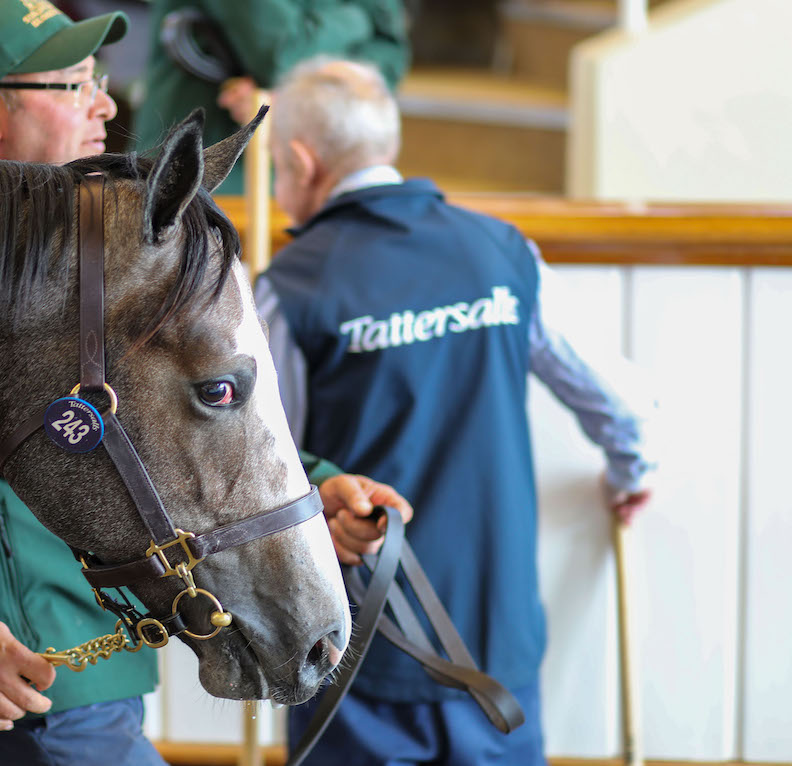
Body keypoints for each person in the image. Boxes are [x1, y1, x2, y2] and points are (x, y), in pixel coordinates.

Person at [0, 5, 408, 764]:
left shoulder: (76, 251)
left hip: (104, 671)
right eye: (73, 85)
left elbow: (154, 419)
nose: (107, 104)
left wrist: (312, 486)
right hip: (20, 683)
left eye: (99, 81)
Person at [256, 57, 658, 766]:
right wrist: (631, 475)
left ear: (299, 160)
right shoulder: (501, 253)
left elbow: (261, 467)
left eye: (274, 172)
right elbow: (626, 406)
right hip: (494, 648)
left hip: (352, 649)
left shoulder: (290, 288)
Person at [132, 0, 410, 194]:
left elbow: (391, 56)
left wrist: (309, 98)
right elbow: (281, 56)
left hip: (310, 172)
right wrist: (358, 17)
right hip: (207, 175)